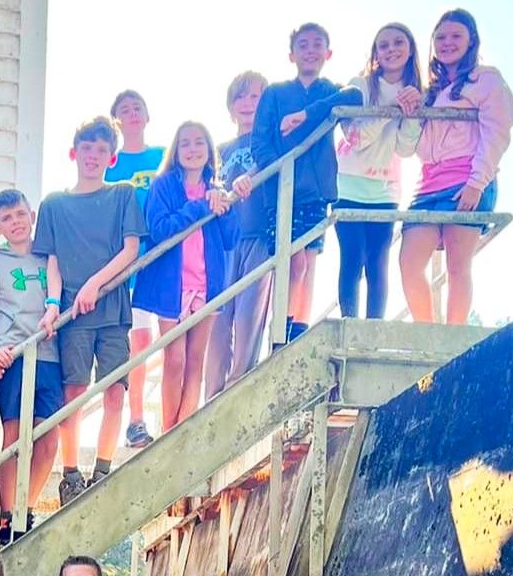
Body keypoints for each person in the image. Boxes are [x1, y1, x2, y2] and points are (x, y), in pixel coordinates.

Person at [33, 117, 146, 506]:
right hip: (72, 313)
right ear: (73, 153)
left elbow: (131, 249)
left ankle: (102, 467)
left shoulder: (122, 196)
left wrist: (95, 284)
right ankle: (71, 474)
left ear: (111, 157)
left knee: (115, 388)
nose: (93, 156)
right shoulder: (54, 204)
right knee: (74, 392)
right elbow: (52, 261)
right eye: (87, 148)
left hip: (112, 307)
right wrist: (52, 304)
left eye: (101, 150)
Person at [398, 9, 513, 325]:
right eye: (440, 37)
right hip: (428, 186)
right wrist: (412, 110)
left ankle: (453, 337)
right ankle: (427, 332)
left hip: (467, 179)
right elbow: (416, 148)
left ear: (471, 41)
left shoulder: (486, 79)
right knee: (409, 262)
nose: (447, 43)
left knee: (457, 265)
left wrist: (477, 183)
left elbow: (497, 132)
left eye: (455, 36)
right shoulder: (432, 92)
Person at [251, 24, 363, 342]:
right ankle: (280, 333)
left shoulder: (329, 90)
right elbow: (260, 142)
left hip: (316, 192)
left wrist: (306, 113)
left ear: (328, 53)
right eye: (303, 45)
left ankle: (297, 332)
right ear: (292, 54)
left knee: (308, 263)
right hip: (281, 192)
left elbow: (354, 96)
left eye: (317, 44)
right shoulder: (274, 93)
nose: (310, 50)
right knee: (292, 263)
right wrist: (281, 169)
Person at [131, 122, 237, 432]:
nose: (193, 150)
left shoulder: (217, 189)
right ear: (176, 152)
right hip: (172, 287)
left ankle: (183, 431)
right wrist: (200, 207)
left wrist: (224, 208)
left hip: (206, 283)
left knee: (195, 360)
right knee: (174, 358)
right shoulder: (164, 186)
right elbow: (160, 229)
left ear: (209, 151)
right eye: (186, 144)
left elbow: (230, 239)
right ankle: (167, 431)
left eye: (199, 143)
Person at [0, 189, 63, 544]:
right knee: (13, 437)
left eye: (20, 214)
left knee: (48, 437)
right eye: (6, 218)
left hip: (49, 355)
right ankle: (8, 516)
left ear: (32, 215)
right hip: (13, 358)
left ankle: (27, 508)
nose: (16, 222)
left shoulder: (48, 257)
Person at [334, 24, 424, 320]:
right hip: (348, 185)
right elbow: (355, 138)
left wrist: (409, 115)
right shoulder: (360, 85)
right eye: (383, 45)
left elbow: (406, 149)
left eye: (398, 42)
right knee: (352, 259)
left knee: (377, 263)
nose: (391, 49)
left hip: (385, 189)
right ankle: (349, 323)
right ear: (375, 52)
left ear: (410, 49)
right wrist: (389, 110)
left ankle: (373, 329)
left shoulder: (414, 92)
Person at [204, 72, 269, 400]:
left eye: (255, 96)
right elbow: (209, 182)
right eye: (240, 97)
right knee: (218, 321)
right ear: (231, 107)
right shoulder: (221, 149)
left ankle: (236, 391)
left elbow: (274, 165)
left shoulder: (267, 142)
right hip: (226, 241)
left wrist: (252, 176)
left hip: (259, 235)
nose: (247, 104)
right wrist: (214, 191)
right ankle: (212, 395)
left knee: (247, 318)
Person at [106, 89, 165, 451]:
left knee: (167, 338)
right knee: (136, 341)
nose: (131, 113)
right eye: (124, 109)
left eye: (137, 107)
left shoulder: (161, 157)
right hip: (124, 262)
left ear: (147, 115)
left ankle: (171, 416)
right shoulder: (109, 163)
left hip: (162, 258)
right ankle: (136, 419)